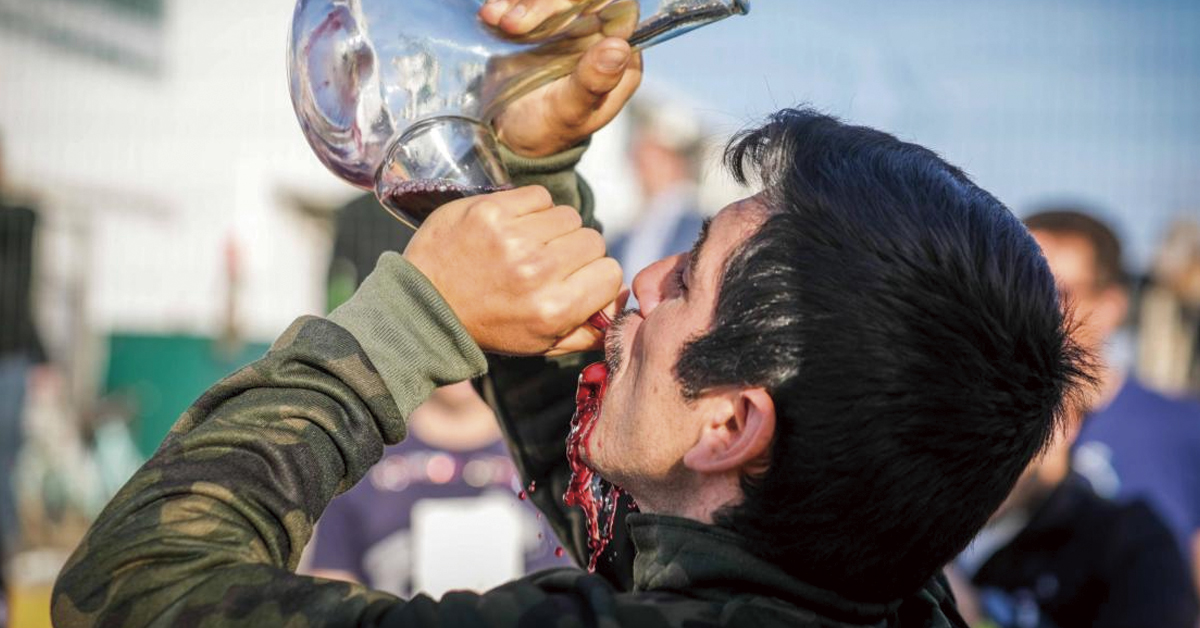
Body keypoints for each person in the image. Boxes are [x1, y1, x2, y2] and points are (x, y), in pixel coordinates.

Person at [52, 5, 1088, 627]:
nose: (641, 282)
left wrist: (404, 326)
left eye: (685, 280)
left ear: (733, 423)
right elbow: (618, 490)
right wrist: (515, 171)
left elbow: (133, 592)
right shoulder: (879, 589)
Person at [313, 195, 570, 593]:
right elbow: (325, 594)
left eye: (475, 316)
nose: (459, 338)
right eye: (441, 317)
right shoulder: (357, 465)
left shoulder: (556, 457)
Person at [1024, 209, 1200, 585]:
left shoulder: (1183, 428)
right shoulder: (975, 422)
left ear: (1110, 304)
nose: (1035, 307)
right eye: (1020, 285)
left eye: (1058, 291)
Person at [948, 388, 1198, 626]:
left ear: (1061, 424)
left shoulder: (1132, 543)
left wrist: (978, 619)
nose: (977, 454)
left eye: (998, 424)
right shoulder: (991, 549)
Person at [0, 134, 48, 561]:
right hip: (13, 358)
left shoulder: (16, 221)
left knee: (6, 459)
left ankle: (7, 547)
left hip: (10, 358)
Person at [607, 98, 707, 279]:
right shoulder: (624, 237)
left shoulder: (703, 229)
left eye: (650, 157)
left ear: (673, 161)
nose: (638, 167)